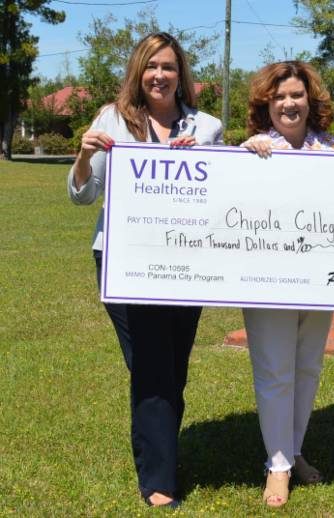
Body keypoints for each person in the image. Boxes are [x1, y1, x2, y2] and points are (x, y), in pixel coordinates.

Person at [67, 32, 223, 508]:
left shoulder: (208, 125)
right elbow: (81, 195)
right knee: (155, 361)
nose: (160, 75)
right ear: (139, 71)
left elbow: (225, 194)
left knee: (172, 367)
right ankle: (159, 481)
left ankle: (163, 453)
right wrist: (85, 154)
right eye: (152, 66)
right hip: (124, 260)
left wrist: (207, 160)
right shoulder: (112, 120)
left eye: (169, 67)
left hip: (187, 261)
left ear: (181, 75)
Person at [240, 61, 334, 507]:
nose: (288, 103)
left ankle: (294, 450)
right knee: (275, 370)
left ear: (309, 100)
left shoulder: (333, 149)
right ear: (267, 103)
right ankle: (277, 466)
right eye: (279, 96)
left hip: (319, 278)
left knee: (307, 368)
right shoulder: (254, 150)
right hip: (268, 280)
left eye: (296, 95)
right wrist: (241, 159)